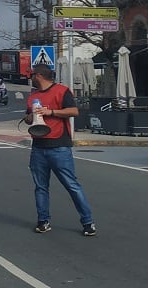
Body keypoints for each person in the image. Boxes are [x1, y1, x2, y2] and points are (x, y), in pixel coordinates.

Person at [26, 64, 96, 237]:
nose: (30, 78)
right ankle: (43, 220)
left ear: (39, 76)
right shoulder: (32, 96)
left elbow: (73, 111)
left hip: (59, 146)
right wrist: (31, 116)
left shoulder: (61, 91)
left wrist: (50, 112)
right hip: (38, 146)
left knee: (71, 185)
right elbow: (27, 118)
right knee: (40, 187)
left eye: (32, 75)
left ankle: (88, 221)